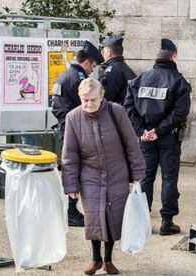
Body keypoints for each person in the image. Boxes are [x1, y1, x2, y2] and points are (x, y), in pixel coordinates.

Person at [62, 78, 146, 275]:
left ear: (101, 97)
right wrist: (71, 185)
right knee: (94, 217)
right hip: (89, 175)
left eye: (93, 99)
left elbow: (131, 145)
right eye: (85, 100)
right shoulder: (73, 118)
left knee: (112, 218)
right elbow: (70, 155)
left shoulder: (116, 112)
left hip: (117, 173)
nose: (89, 104)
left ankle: (108, 259)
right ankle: (95, 258)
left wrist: (137, 173)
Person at [124, 38, 191, 236]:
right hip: (168, 138)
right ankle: (167, 222)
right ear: (174, 57)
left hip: (145, 138)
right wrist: (159, 131)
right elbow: (180, 113)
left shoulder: (140, 79)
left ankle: (143, 221)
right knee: (169, 178)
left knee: (145, 179)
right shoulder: (179, 82)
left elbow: (128, 107)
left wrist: (142, 131)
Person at [51, 41, 104, 227]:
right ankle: (70, 210)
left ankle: (69, 209)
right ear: (88, 62)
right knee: (75, 170)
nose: (92, 71)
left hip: (65, 128)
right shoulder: (79, 78)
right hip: (75, 131)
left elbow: (56, 108)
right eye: (94, 66)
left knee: (70, 168)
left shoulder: (64, 75)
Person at [99, 36, 136, 104]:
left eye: (103, 52)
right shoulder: (126, 69)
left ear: (108, 53)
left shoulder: (111, 71)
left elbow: (105, 98)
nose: (102, 54)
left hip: (113, 113)